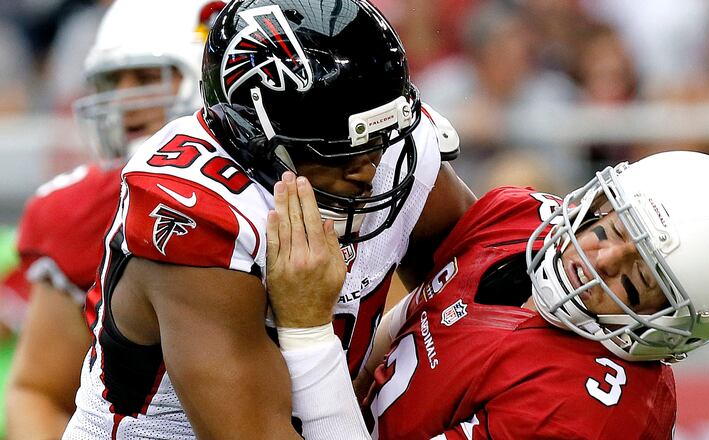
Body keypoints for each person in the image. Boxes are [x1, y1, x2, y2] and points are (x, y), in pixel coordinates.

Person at [63, 0, 474, 438]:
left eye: (377, 141)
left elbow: (484, 270)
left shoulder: (389, 148)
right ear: (255, 138)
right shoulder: (200, 217)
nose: (369, 170)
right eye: (337, 151)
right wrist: (310, 332)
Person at [360, 151, 709, 439]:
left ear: (671, 326)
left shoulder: (587, 413)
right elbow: (404, 324)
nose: (603, 261)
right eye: (612, 229)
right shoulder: (521, 217)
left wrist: (311, 341)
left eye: (638, 282)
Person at [4, 0, 217, 438]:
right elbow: (40, 393)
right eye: (110, 81)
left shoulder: (285, 192)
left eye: (144, 78)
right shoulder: (83, 209)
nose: (123, 99)